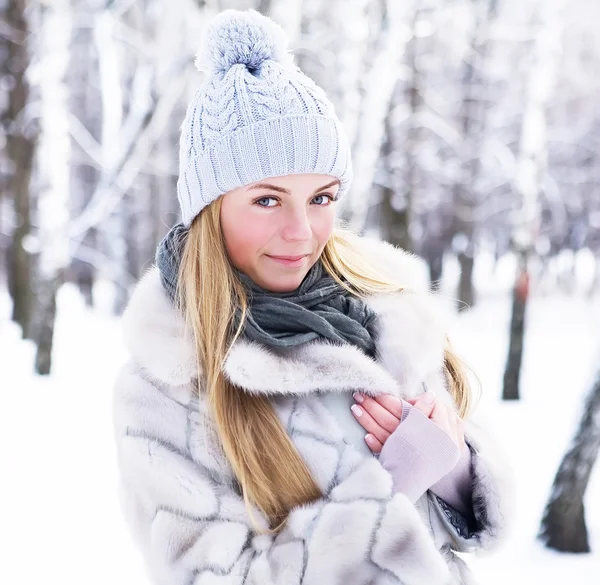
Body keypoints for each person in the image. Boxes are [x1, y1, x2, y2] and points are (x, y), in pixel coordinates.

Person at [112, 9, 513, 585]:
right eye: (268, 201)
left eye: (321, 198)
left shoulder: (385, 315)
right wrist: (389, 483)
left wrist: (451, 473)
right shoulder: (167, 387)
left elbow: (459, 526)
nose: (301, 232)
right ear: (209, 208)